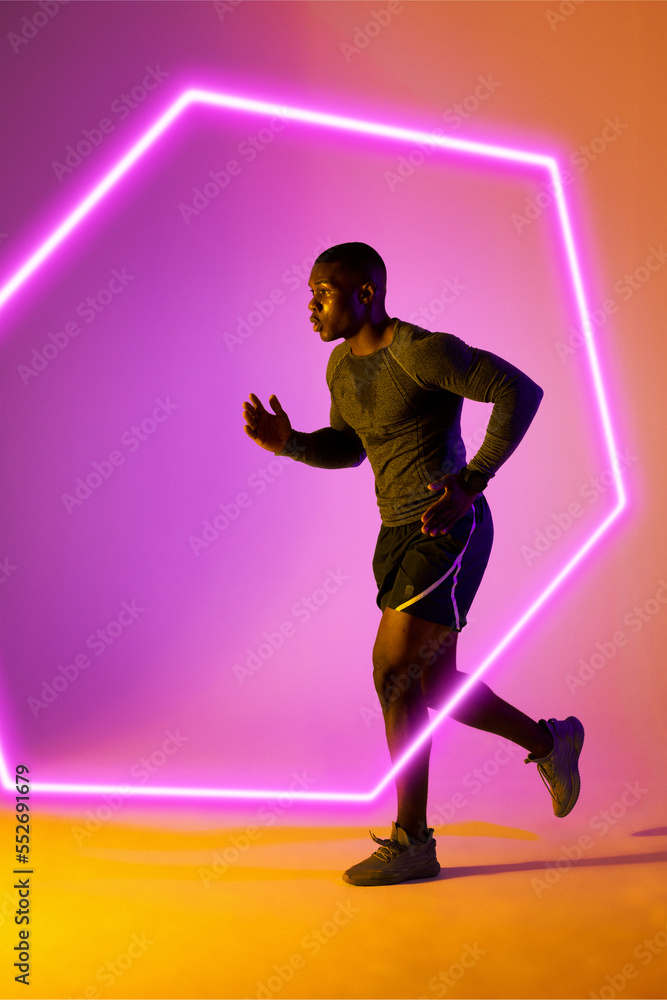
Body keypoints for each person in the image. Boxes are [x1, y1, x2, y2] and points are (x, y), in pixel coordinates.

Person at [242, 241, 584, 887]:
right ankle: (549, 742)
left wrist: (472, 480)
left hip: (447, 528)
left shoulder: (421, 350)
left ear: (365, 292)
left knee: (393, 673)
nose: (311, 307)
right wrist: (290, 445)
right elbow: (348, 448)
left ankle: (411, 842)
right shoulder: (342, 369)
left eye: (324, 291)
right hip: (394, 533)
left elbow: (518, 390)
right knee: (426, 686)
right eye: (309, 295)